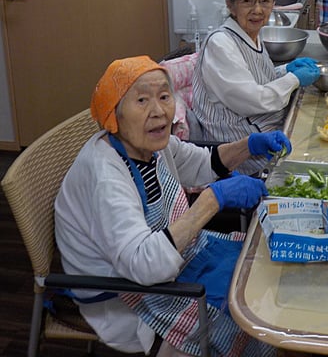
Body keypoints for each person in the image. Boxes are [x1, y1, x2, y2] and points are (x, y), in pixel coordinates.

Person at [55, 55, 292, 357]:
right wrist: (212, 200)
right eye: (141, 100)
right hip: (126, 295)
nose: (159, 111)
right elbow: (144, 266)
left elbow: (200, 163)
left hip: (174, 259)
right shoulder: (106, 175)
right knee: (251, 317)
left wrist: (248, 145)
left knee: (263, 270)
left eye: (164, 97)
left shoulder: (148, 143)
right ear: (114, 115)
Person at [192, 0, 319, 174]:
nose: (258, 10)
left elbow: (252, 79)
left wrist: (285, 70)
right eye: (247, 1)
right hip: (239, 148)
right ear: (231, 5)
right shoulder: (221, 43)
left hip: (261, 128)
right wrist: (293, 79)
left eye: (265, 1)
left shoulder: (250, 34)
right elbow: (252, 100)